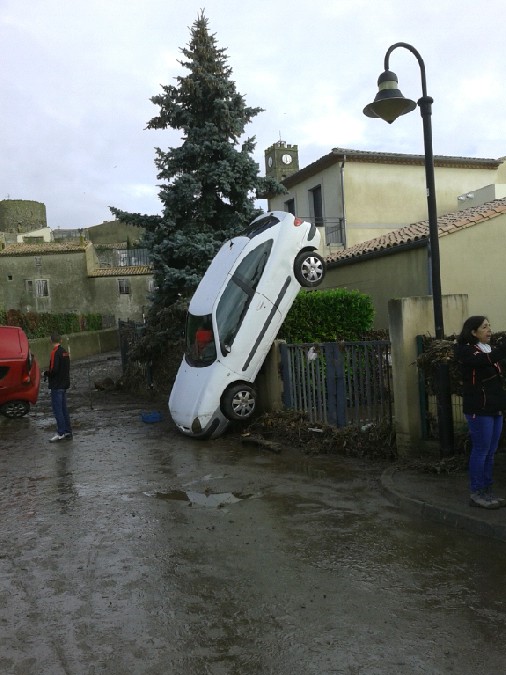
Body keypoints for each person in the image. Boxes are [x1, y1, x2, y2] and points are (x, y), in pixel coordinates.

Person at [455, 316, 506, 509]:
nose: (489, 330)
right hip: (479, 409)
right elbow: (486, 361)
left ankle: (487, 491)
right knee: (481, 451)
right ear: (473, 332)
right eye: (484, 327)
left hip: (495, 408)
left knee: (491, 452)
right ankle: (476, 493)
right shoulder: (467, 352)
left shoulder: (489, 350)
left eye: (489, 326)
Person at [44, 333, 72, 442]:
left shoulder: (54, 352)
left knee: (58, 410)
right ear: (61, 340)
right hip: (64, 383)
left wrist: (46, 373)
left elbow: (53, 370)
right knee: (64, 409)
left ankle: (61, 433)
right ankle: (68, 431)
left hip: (56, 385)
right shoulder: (65, 352)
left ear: (51, 341)